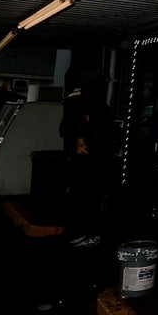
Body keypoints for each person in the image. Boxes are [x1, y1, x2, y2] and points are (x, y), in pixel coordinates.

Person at [60, 71, 114, 248]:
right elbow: (108, 136)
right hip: (93, 162)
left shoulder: (76, 105)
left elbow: (64, 131)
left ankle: (83, 232)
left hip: (83, 162)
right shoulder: (101, 108)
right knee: (89, 198)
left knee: (82, 197)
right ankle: (88, 232)